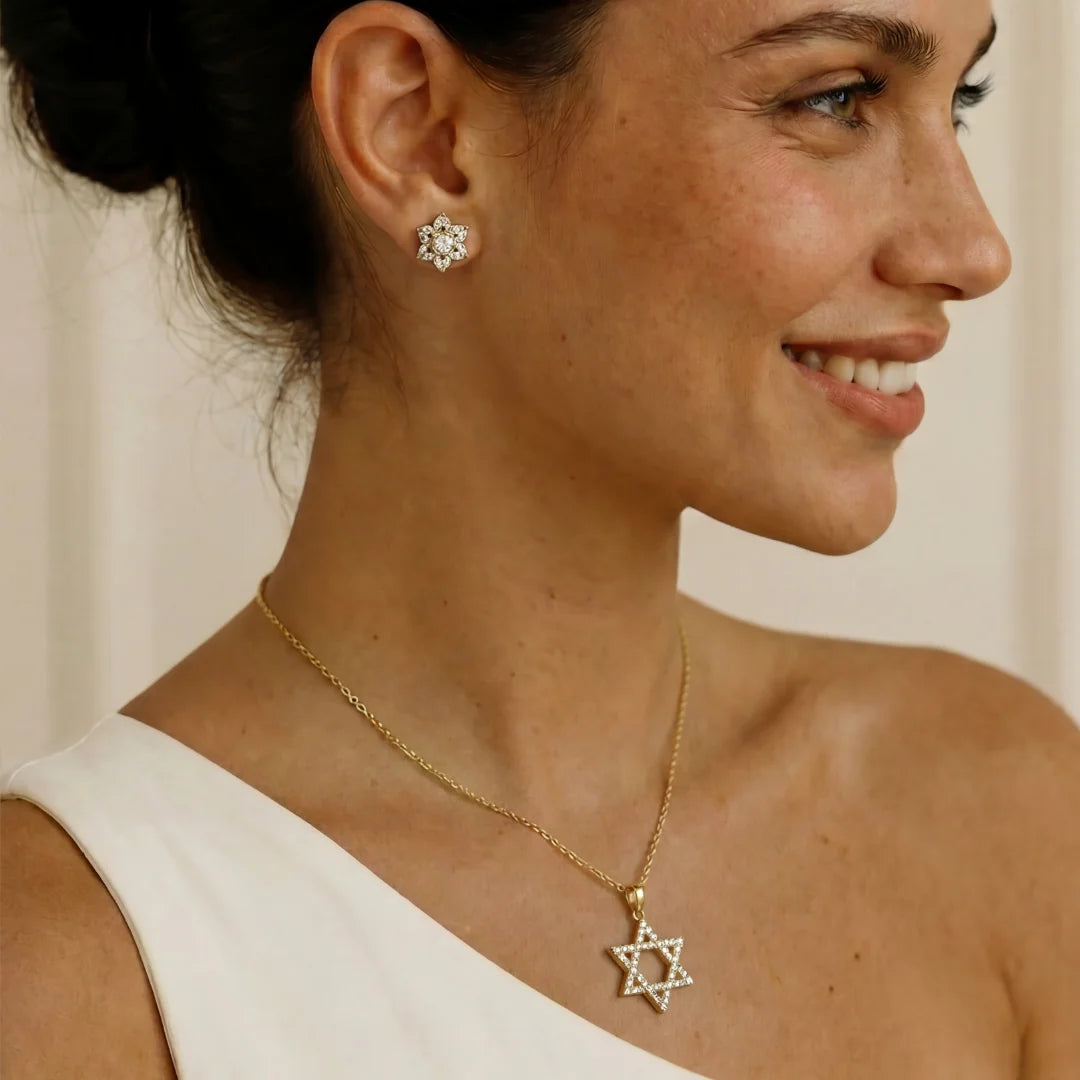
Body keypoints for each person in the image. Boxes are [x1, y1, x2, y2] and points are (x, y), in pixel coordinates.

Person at [1, 0, 1077, 1076]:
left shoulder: (1002, 812)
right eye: (835, 100)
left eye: (961, 100)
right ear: (418, 136)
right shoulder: (66, 969)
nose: (974, 249)